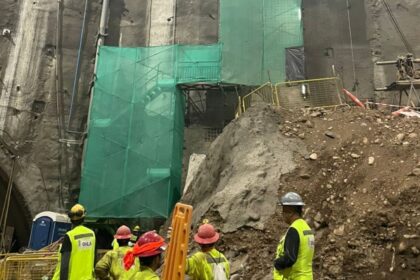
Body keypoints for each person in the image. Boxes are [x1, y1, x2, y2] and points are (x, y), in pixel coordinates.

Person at [273, 192, 315, 280]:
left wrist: (277, 263)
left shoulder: (294, 229)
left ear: (290, 211)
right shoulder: (306, 228)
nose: (282, 213)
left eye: (284, 210)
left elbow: (290, 258)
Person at [53, 204, 96, 280]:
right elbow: (94, 257)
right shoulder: (92, 234)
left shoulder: (70, 236)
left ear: (71, 220)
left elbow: (64, 265)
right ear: (83, 218)